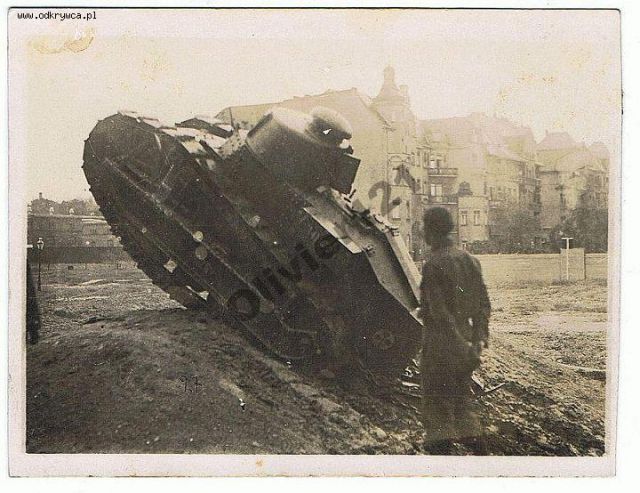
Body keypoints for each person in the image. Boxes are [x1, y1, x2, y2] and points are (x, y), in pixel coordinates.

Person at [419, 207, 491, 455]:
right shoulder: (470, 260)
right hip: (467, 346)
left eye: (425, 227)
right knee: (463, 407)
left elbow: (439, 313)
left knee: (437, 414)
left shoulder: (433, 265)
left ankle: (441, 468)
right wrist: (477, 341)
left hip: (440, 348)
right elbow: (483, 305)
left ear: (431, 231)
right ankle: (483, 461)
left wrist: (457, 344)